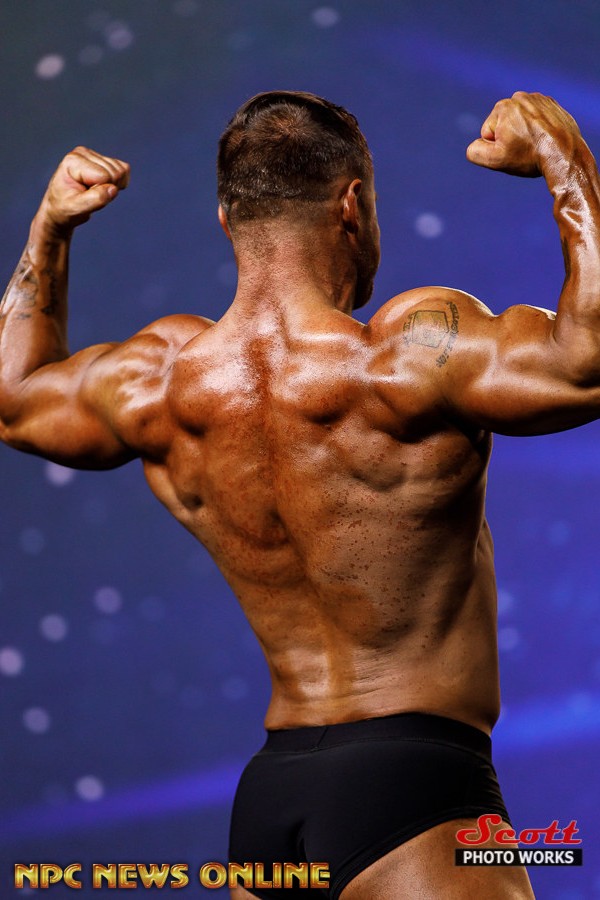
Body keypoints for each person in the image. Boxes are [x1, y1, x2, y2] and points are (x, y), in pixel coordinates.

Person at [0, 89, 597, 899]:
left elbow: (14, 400)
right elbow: (587, 359)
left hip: (272, 801)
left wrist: (49, 226)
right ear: (352, 205)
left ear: (227, 219)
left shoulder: (161, 383)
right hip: (418, 792)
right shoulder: (402, 357)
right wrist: (563, 152)